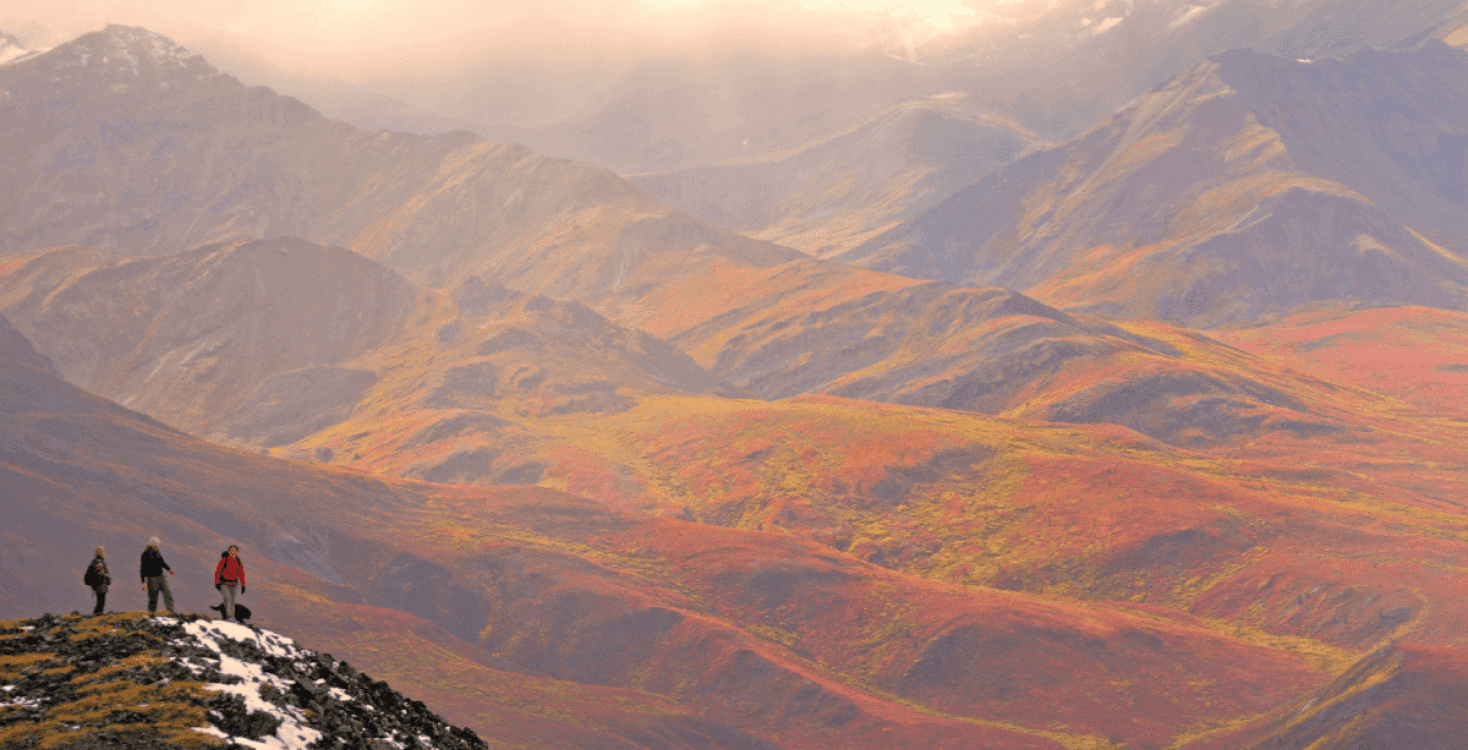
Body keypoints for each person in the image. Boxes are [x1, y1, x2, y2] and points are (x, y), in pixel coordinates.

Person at [139, 537, 176, 614]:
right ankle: (151, 614)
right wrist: (143, 582)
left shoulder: (157, 552)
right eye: (157, 545)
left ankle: (171, 611)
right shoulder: (145, 555)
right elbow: (143, 570)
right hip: (152, 579)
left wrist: (169, 569)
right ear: (153, 545)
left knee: (167, 593)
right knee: (153, 598)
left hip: (161, 577)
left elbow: (162, 562)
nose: (158, 546)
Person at [213, 545, 246, 621]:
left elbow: (241, 573)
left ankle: (226, 617)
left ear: (237, 552)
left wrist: (243, 584)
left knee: (231, 600)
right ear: (229, 551)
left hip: (234, 584)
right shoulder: (224, 560)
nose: (233, 552)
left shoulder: (238, 561)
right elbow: (218, 571)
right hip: (224, 583)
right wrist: (217, 582)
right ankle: (230, 616)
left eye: (234, 551)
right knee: (228, 598)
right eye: (231, 551)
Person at [84, 546, 110, 615]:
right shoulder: (99, 563)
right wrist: (106, 579)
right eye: (103, 552)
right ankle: (96, 617)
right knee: (101, 603)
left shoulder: (95, 562)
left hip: (97, 585)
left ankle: (96, 616)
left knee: (100, 602)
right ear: (101, 553)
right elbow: (101, 574)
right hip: (101, 585)